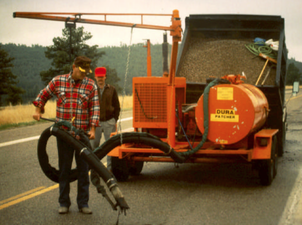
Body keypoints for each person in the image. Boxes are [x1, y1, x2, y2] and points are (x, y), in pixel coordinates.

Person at [32, 56, 100, 215]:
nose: (84, 74)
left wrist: (92, 130)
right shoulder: (58, 81)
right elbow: (44, 94)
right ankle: (64, 203)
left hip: (82, 136)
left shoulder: (91, 85)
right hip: (63, 135)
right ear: (74, 67)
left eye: (86, 72)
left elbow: (95, 109)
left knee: (83, 171)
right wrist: (37, 110)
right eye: (81, 71)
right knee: (64, 169)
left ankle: (83, 203)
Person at [90, 67, 120, 170]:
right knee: (94, 148)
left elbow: (117, 106)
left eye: (102, 77)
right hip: (95, 123)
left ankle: (110, 170)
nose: (100, 79)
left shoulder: (112, 89)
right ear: (95, 77)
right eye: (98, 77)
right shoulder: (91, 90)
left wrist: (114, 120)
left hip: (109, 122)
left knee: (110, 147)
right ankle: (95, 169)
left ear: (105, 77)